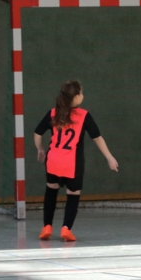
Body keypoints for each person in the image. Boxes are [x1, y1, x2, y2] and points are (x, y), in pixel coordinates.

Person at [33, 80, 118, 241]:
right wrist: (109, 157)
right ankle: (66, 228)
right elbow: (97, 138)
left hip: (53, 161)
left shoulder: (53, 113)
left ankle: (47, 226)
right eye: (81, 93)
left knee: (51, 191)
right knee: (73, 195)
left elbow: (37, 133)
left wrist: (40, 149)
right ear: (77, 97)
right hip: (72, 164)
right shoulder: (84, 115)